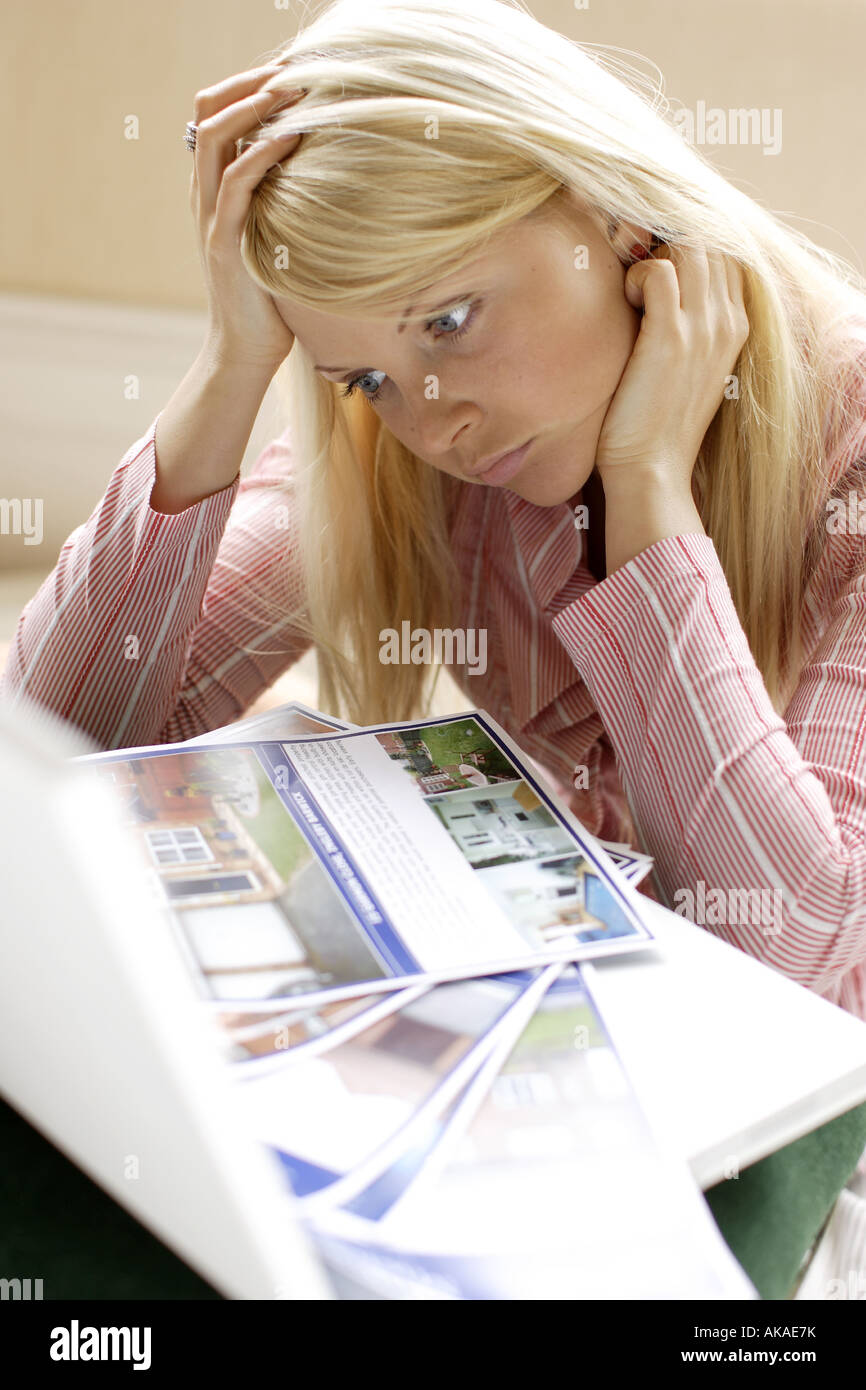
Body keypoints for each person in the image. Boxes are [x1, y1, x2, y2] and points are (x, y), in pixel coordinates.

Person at [3, 0, 866, 1291]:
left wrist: (647, 496)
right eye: (364, 377)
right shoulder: (422, 454)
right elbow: (57, 752)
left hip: (778, 1129)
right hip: (541, 1070)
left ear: (612, 213)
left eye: (449, 321)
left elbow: (798, 958)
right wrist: (234, 367)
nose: (432, 423)